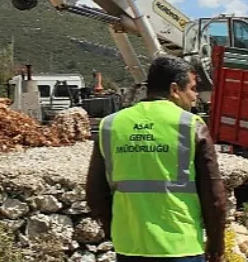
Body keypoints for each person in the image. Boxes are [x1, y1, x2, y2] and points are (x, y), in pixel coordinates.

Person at [86, 55, 227, 262]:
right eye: (192, 88)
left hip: (129, 248)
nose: (195, 96)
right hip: (181, 247)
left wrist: (116, 229)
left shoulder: (110, 125)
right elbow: (214, 198)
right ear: (174, 90)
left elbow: (95, 194)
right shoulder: (190, 125)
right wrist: (216, 244)